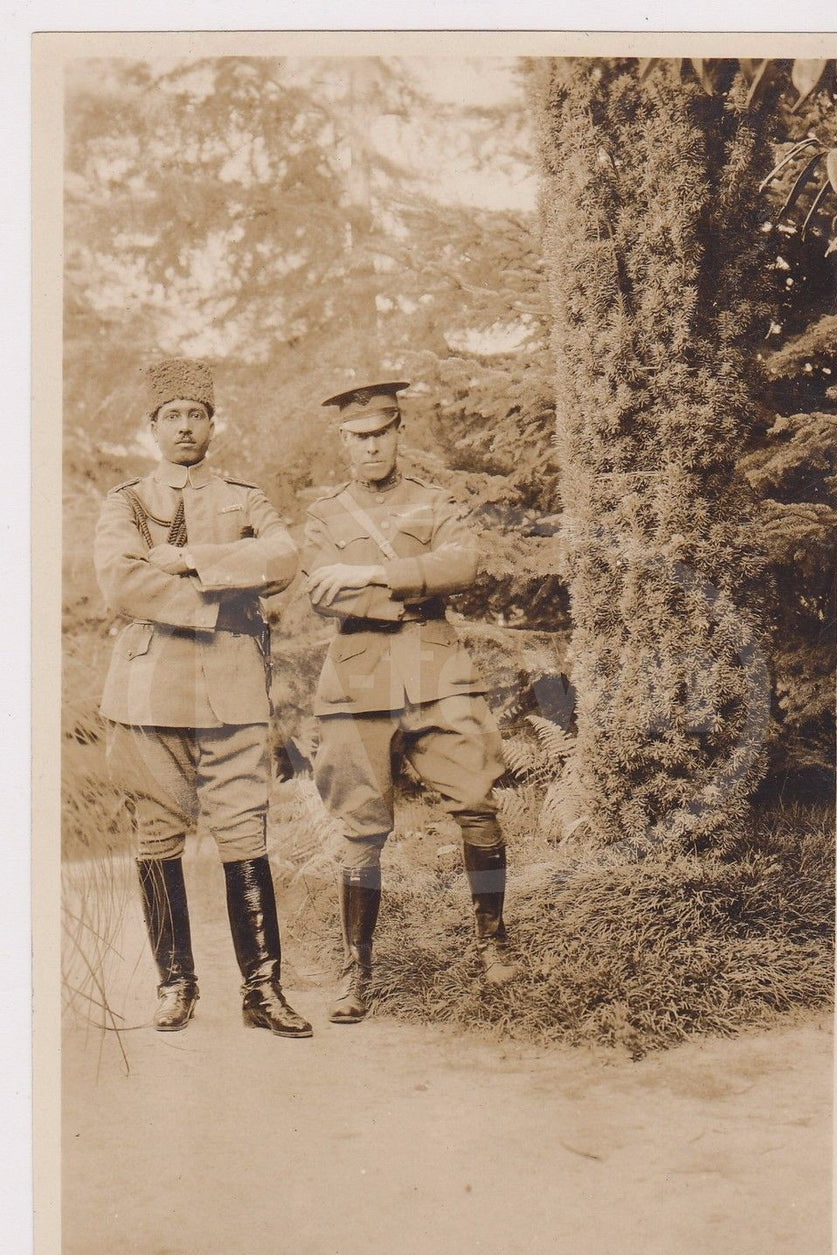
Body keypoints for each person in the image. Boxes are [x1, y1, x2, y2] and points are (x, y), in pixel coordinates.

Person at [94, 358, 312, 1038]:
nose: (185, 427)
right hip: (149, 693)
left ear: (213, 424)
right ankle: (175, 984)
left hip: (231, 689)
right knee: (157, 836)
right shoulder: (125, 502)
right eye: (173, 417)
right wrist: (224, 597)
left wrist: (189, 559)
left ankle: (262, 991)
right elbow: (121, 585)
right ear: (152, 427)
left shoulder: (245, 498)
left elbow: (282, 558)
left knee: (245, 830)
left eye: (197, 415)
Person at [304, 376, 521, 1024]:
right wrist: (413, 586)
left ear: (400, 433)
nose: (371, 447)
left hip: (437, 671)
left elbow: (464, 564)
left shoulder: (435, 502)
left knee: (478, 804)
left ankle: (494, 943)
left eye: (382, 433)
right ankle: (357, 971)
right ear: (343, 441)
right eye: (358, 437)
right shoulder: (324, 514)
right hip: (356, 678)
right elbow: (320, 592)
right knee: (360, 832)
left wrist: (372, 575)